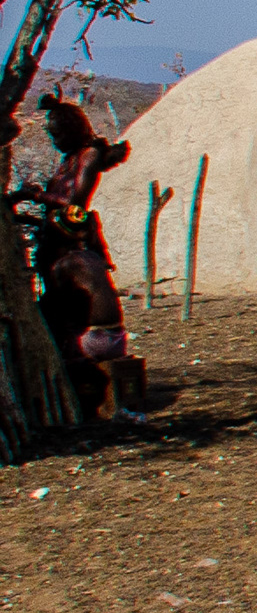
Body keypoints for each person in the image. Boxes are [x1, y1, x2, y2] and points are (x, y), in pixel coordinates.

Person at [15, 97, 145, 423]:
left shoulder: (72, 263)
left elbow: (73, 200)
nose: (53, 140)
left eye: (57, 133)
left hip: (99, 341)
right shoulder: (71, 159)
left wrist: (32, 195)